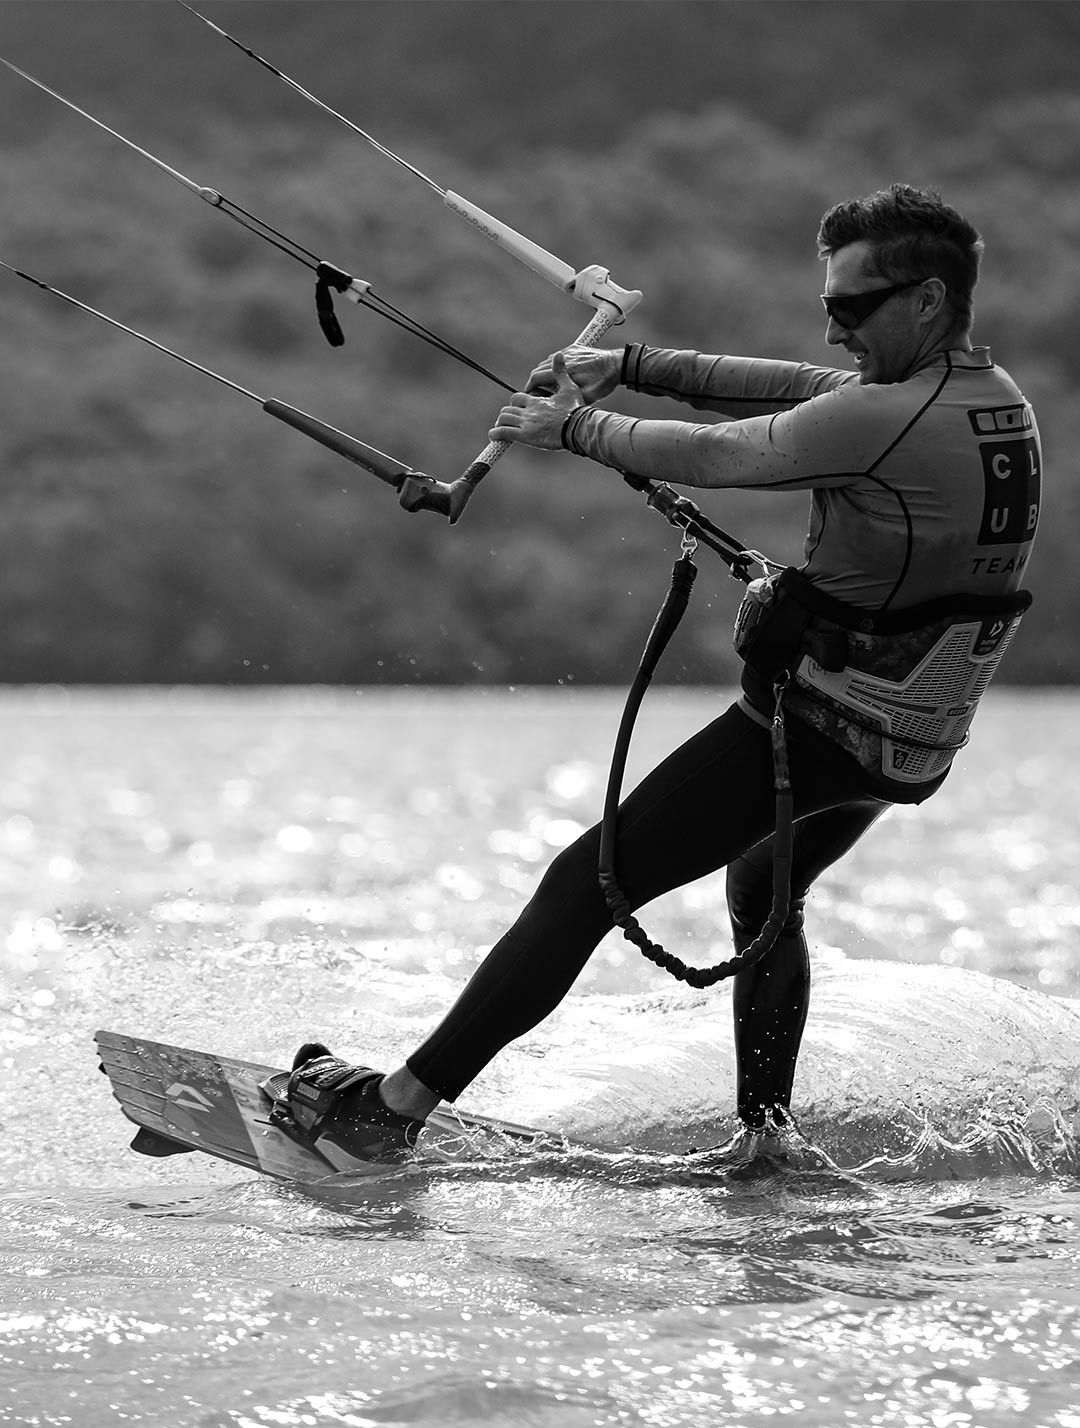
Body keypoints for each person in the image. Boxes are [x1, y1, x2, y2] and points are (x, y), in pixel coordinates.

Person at [280, 183, 1042, 1170]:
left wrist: (575, 428)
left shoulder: (891, 418)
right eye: (828, 309)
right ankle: (766, 1140)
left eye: (852, 310)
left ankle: (389, 1112)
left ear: (927, 302)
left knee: (583, 885)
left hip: (820, 726)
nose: (837, 332)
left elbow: (732, 452)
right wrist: (628, 366)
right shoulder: (988, 399)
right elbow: (796, 390)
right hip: (913, 742)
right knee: (766, 884)